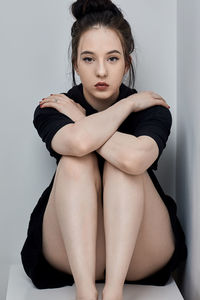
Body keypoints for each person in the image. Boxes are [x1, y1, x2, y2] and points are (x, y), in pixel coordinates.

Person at [20, 1, 187, 300]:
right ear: (75, 63)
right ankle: (85, 292)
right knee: (76, 162)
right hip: (71, 255)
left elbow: (136, 158)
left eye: (112, 58)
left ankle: (113, 293)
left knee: (124, 167)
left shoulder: (149, 107)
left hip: (139, 251)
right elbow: (79, 144)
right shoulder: (56, 106)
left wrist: (92, 117)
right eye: (88, 59)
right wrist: (125, 106)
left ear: (126, 63)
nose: (100, 71)